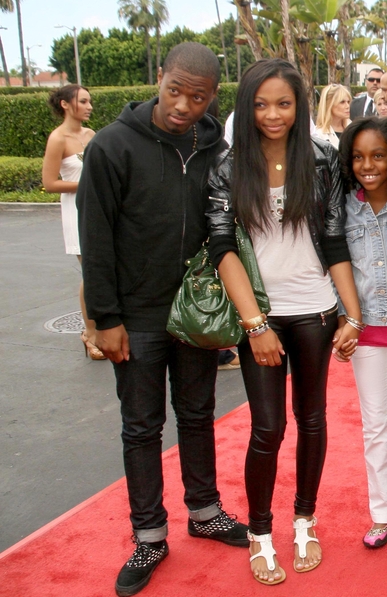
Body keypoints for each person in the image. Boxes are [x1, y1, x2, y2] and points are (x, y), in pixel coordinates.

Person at [77, 42, 249, 597]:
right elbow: (95, 240)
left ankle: (204, 510)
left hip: (195, 312)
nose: (182, 105)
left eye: (196, 97)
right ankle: (149, 535)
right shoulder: (111, 147)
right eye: (175, 90)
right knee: (141, 426)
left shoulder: (212, 146)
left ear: (211, 97)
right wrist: (105, 318)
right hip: (138, 316)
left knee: (198, 414)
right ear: (160, 78)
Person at [206, 58, 363, 584]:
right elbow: (222, 246)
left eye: (284, 103)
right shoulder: (228, 168)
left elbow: (336, 239)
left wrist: (352, 315)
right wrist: (255, 325)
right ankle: (259, 531)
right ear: (246, 107)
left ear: (299, 105)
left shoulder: (323, 159)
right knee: (268, 428)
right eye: (260, 103)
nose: (272, 114)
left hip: (316, 311)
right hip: (263, 318)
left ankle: (305, 519)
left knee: (313, 420)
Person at [336, 116, 387, 549]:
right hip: (363, 326)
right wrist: (342, 318)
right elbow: (335, 266)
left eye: (379, 155)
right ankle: (382, 511)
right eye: (359, 156)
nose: (368, 164)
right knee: (375, 424)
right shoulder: (344, 208)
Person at [41, 84, 102, 360]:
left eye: (90, 102)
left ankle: (102, 329)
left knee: (103, 271)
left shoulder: (92, 134)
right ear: (66, 104)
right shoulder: (58, 138)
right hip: (76, 210)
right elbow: (50, 182)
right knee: (89, 273)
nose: (89, 107)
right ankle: (89, 334)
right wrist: (86, 184)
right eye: (84, 101)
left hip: (100, 209)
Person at [315, 83, 352, 149]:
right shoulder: (318, 134)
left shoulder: (352, 128)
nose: (347, 106)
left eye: (348, 102)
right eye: (342, 102)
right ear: (329, 104)